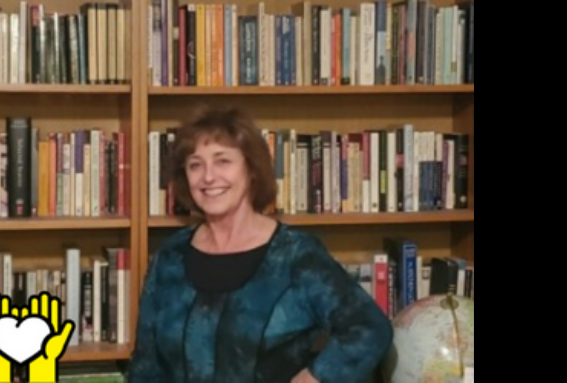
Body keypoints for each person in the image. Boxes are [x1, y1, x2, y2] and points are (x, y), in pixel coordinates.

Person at [127, 106, 393, 383]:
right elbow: (146, 365)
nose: (208, 177)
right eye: (196, 164)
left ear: (251, 169)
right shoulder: (169, 257)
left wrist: (314, 378)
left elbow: (369, 328)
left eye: (223, 161)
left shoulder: (296, 255)